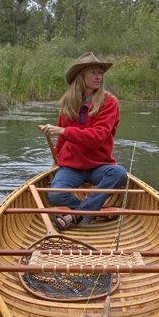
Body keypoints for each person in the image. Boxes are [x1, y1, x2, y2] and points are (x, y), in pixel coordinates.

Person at [40, 52, 127, 230]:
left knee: (118, 173)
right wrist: (56, 160)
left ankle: (75, 215)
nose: (98, 77)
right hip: (72, 166)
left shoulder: (109, 102)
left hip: (98, 165)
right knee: (55, 195)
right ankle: (95, 210)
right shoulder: (68, 103)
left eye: (100, 73)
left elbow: (97, 138)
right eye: (93, 72)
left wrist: (64, 131)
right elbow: (62, 140)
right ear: (81, 76)